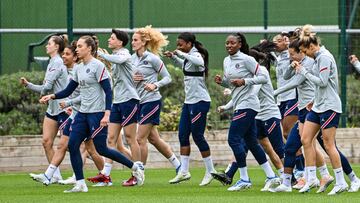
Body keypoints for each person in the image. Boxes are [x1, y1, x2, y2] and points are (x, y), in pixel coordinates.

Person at [39, 35, 144, 193]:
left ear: (89, 48)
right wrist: (52, 96)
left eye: (80, 46)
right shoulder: (78, 68)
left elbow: (108, 92)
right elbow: (69, 90)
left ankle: (135, 166)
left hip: (97, 114)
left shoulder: (98, 66)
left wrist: (107, 114)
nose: (77, 49)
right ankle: (80, 184)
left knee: (102, 149)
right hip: (82, 113)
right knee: (72, 145)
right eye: (77, 46)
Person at [29, 41, 105, 186]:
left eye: (67, 54)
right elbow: (66, 92)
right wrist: (53, 96)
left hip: (86, 114)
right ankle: (54, 175)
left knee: (89, 148)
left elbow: (87, 95)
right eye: (63, 54)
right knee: (77, 146)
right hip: (76, 114)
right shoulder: (71, 71)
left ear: (75, 57)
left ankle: (108, 174)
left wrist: (68, 103)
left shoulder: (81, 71)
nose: (63, 56)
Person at [214, 33, 280, 191]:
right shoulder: (226, 61)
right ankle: (271, 176)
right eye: (227, 43)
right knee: (251, 142)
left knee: (233, 139)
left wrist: (245, 81)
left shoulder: (247, 59)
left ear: (239, 44)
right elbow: (232, 85)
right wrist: (222, 82)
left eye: (232, 43)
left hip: (249, 104)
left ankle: (244, 179)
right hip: (239, 104)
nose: (229, 45)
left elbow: (263, 77)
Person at [294, 24, 348, 195]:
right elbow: (322, 86)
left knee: (328, 144)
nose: (304, 55)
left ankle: (341, 182)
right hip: (318, 105)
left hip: (330, 106)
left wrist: (303, 72)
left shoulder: (324, 57)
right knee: (305, 139)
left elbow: (323, 82)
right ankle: (311, 179)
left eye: (304, 51)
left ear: (311, 46)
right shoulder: (317, 58)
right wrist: (313, 100)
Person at [86, 29, 141, 187]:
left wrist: (101, 54)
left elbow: (117, 60)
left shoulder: (124, 54)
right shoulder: (115, 56)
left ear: (120, 42)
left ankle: (137, 174)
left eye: (112, 38)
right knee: (110, 139)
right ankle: (106, 176)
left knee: (131, 139)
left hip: (129, 100)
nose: (109, 40)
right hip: (117, 102)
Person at [129, 25, 180, 186]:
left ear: (144, 42)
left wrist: (155, 85)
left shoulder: (152, 58)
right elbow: (130, 80)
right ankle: (180, 167)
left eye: (135, 40)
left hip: (151, 101)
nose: (133, 42)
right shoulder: (132, 58)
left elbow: (167, 78)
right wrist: (133, 80)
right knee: (154, 138)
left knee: (139, 138)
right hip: (139, 102)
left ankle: (139, 174)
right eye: (132, 40)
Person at [164, 32, 216, 186]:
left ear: (189, 44)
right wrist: (174, 57)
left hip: (200, 101)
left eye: (181, 44)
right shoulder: (188, 57)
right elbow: (186, 66)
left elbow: (199, 63)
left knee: (198, 136)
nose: (178, 47)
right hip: (189, 102)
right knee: (183, 135)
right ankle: (184, 171)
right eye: (177, 45)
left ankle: (210, 171)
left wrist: (180, 53)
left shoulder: (197, 55)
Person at [20, 34, 69, 183]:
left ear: (56, 47)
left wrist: (41, 92)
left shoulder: (58, 62)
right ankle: (55, 176)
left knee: (70, 145)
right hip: (52, 109)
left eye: (49, 43)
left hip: (63, 108)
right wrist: (29, 85)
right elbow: (46, 87)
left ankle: (93, 172)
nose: (46, 46)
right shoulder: (51, 62)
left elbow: (46, 87)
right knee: (46, 142)